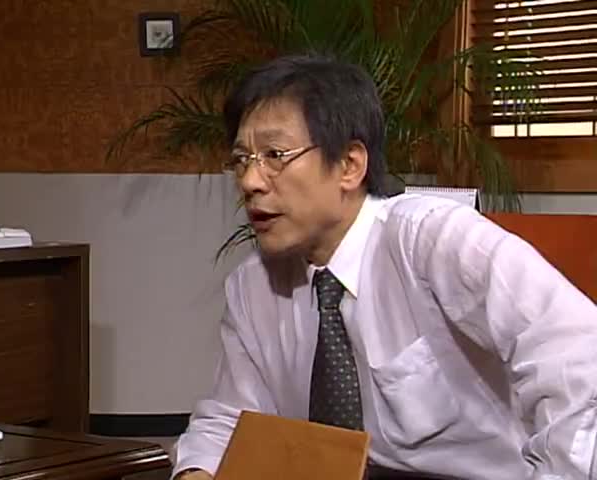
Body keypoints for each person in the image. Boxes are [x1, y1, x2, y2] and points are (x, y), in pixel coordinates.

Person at [171, 53, 597, 480]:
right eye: (242, 160)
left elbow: (577, 357)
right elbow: (227, 419)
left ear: (350, 165)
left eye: (274, 154)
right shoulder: (253, 285)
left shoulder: (432, 240)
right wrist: (196, 472)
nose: (250, 181)